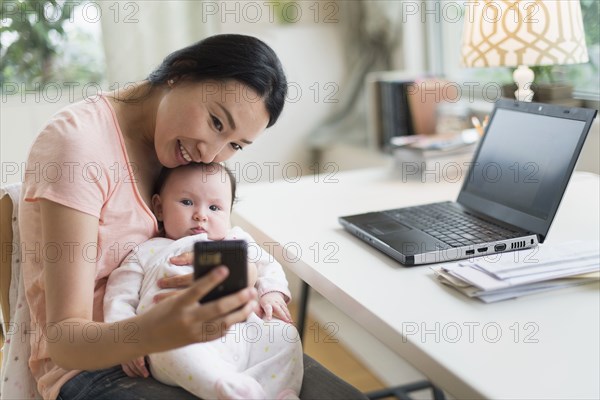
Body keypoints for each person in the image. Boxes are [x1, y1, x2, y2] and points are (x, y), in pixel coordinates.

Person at [103, 162, 303, 399]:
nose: (201, 215)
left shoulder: (236, 240)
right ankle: (227, 387)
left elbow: (268, 265)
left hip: (243, 330)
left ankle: (278, 392)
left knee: (285, 335)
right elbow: (120, 296)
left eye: (215, 207)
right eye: (187, 202)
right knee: (167, 347)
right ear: (159, 208)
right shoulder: (148, 251)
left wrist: (272, 292)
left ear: (229, 213)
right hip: (178, 333)